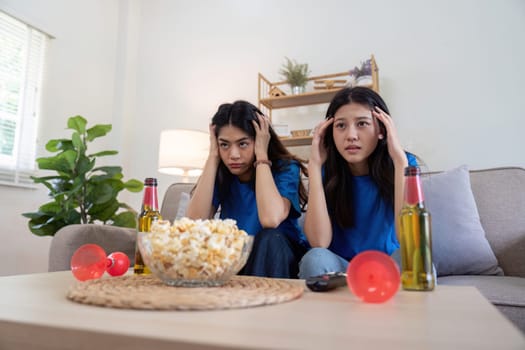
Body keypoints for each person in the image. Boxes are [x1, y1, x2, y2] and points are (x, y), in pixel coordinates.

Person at [298, 86, 417, 279]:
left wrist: (399, 161)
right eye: (341, 126)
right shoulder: (325, 170)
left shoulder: (404, 164)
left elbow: (408, 238)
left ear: (382, 130)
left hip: (387, 268)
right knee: (315, 259)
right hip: (342, 271)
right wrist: (314, 166)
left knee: (413, 256)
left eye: (362, 124)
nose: (351, 135)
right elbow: (319, 242)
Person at [186, 100, 308, 278]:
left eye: (243, 144)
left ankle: (256, 303)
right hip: (236, 257)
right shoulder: (222, 173)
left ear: (260, 140)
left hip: (279, 257)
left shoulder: (286, 168)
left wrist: (261, 156)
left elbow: (270, 219)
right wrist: (213, 156)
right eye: (225, 145)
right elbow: (194, 222)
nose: (233, 155)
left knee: (269, 238)